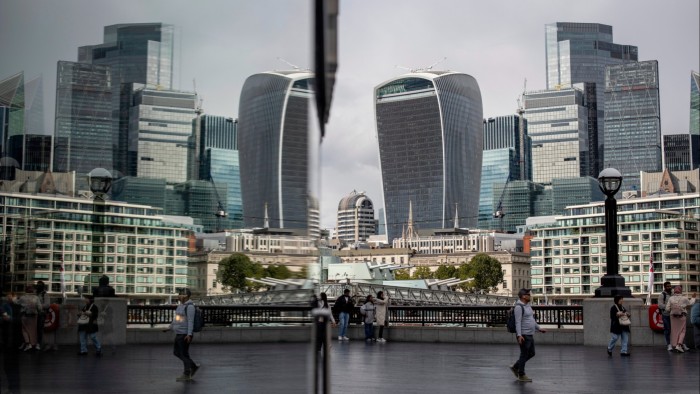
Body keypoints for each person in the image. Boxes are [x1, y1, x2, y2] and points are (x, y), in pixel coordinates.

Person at [509, 288, 546, 383]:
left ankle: (516, 366)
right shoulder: (518, 307)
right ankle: (521, 374)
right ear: (523, 296)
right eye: (528, 294)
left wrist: (539, 328)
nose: (530, 296)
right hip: (524, 335)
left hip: (530, 334)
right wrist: (519, 335)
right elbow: (517, 322)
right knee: (524, 354)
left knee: (532, 353)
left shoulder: (528, 306)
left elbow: (531, 319)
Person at [167, 288, 199, 382]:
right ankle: (192, 368)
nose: (178, 296)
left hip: (185, 334)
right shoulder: (181, 306)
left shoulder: (190, 307)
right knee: (177, 353)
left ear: (185, 296)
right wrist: (170, 327)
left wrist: (189, 334)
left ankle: (187, 372)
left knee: (183, 353)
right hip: (179, 332)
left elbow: (190, 321)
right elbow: (177, 319)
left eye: (180, 294)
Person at [665, 286, 696, 353]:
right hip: (681, 316)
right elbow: (691, 303)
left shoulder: (671, 298)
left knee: (674, 332)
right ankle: (679, 345)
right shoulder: (684, 298)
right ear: (681, 291)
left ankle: (675, 345)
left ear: (674, 291)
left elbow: (667, 309)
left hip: (673, 317)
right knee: (682, 331)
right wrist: (693, 298)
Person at [17, 285, 41, 351]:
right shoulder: (36, 298)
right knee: (33, 331)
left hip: (25, 316)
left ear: (26, 290)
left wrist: (16, 298)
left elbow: (16, 302)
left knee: (24, 330)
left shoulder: (23, 298)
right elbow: (39, 307)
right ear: (33, 290)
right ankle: (34, 344)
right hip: (34, 316)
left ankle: (28, 344)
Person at [657, 281, 674, 351]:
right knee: (667, 330)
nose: (669, 287)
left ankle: (674, 343)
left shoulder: (673, 294)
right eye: (668, 286)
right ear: (665, 287)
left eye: (670, 286)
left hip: (673, 315)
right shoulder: (662, 295)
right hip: (666, 315)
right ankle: (669, 344)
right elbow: (660, 305)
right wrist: (668, 307)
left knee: (674, 330)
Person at [35, 281, 50, 350]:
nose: (38, 286)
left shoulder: (45, 294)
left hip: (41, 314)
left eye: (40, 285)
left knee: (39, 329)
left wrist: (39, 306)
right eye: (38, 285)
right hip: (33, 314)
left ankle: (38, 343)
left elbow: (47, 305)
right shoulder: (35, 294)